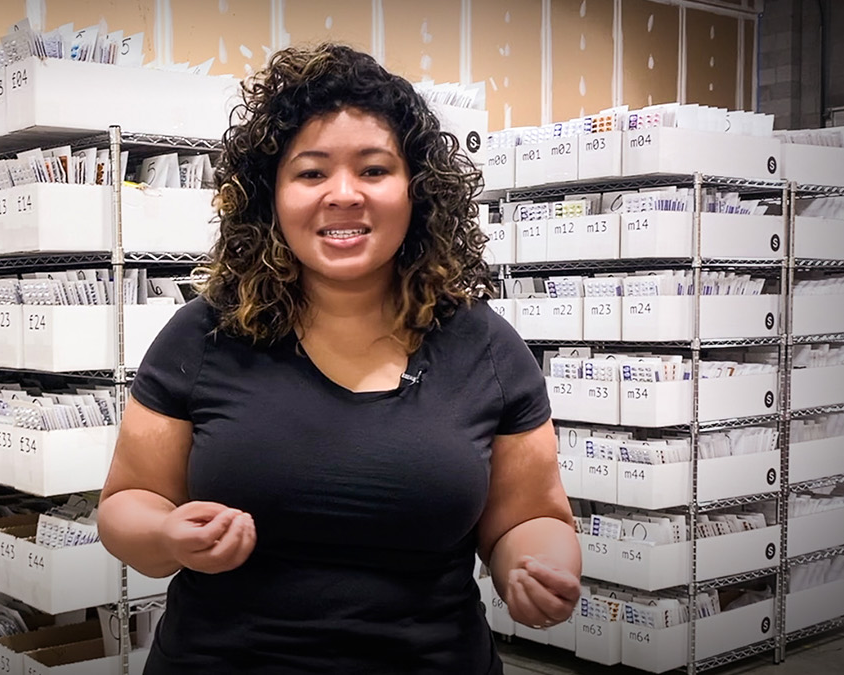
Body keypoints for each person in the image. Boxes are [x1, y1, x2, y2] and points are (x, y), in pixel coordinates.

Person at [98, 43, 580, 674]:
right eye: (311, 172)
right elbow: (126, 502)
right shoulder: (203, 336)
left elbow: (533, 516)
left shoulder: (485, 348)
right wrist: (166, 536)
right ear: (271, 196)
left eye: (374, 170)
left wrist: (535, 565)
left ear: (417, 190)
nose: (344, 194)